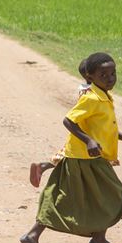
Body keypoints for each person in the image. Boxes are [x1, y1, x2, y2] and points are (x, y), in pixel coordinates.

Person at [19, 53, 122, 243]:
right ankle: (98, 239)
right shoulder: (92, 98)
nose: (110, 78)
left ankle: (35, 235)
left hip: (91, 157)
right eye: (103, 74)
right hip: (84, 158)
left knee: (73, 197)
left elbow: (100, 128)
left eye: (113, 73)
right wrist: (88, 141)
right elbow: (68, 121)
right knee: (114, 194)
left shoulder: (102, 95)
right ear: (90, 76)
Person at [29, 59, 95, 187]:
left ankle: (43, 167)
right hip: (87, 130)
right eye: (102, 74)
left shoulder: (87, 89)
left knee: (72, 155)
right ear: (90, 76)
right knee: (73, 155)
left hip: (87, 129)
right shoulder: (90, 92)